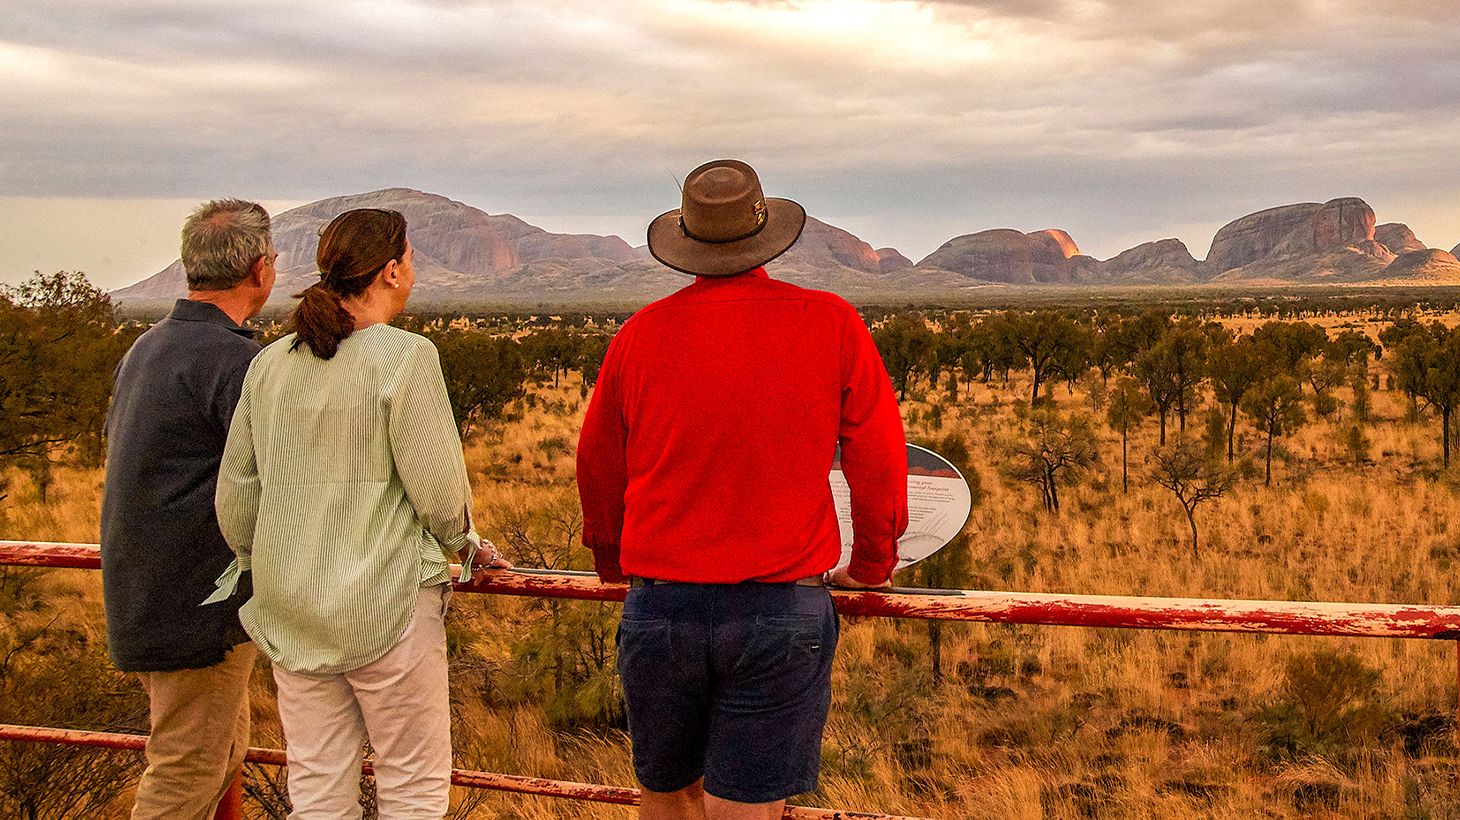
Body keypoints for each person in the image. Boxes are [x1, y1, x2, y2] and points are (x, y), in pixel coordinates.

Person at [576, 159, 908, 820]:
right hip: (780, 607)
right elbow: (878, 457)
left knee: (666, 800)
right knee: (746, 810)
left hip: (660, 604)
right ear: (765, 235)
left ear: (688, 242)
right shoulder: (832, 322)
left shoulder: (639, 335)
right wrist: (871, 565)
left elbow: (597, 465)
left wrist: (615, 566)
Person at [213, 208, 507, 817]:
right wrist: (466, 542)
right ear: (392, 271)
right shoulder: (405, 357)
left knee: (317, 785)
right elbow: (438, 493)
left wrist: (261, 559)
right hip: (389, 605)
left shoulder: (269, 364)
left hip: (291, 606)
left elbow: (235, 496)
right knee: (414, 784)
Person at [101, 198, 276, 819]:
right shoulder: (236, 361)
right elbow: (276, 480)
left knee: (221, 752)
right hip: (197, 604)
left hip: (146, 588)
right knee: (188, 768)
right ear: (260, 268)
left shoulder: (147, 348)